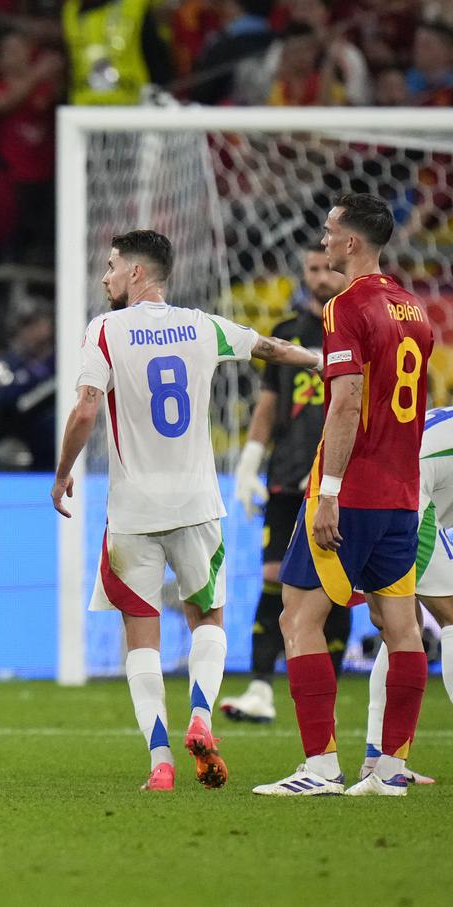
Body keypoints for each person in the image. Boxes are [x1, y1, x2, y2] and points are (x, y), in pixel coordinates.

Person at [51, 229, 323, 793]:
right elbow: (271, 349)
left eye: (111, 266)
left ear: (137, 274)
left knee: (140, 635)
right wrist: (320, 359)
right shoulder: (203, 325)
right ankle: (201, 715)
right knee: (209, 618)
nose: (104, 277)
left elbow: (83, 410)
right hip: (198, 503)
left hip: (132, 511)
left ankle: (161, 763)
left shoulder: (104, 330)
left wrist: (62, 475)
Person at [253, 193, 433, 798]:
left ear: (351, 242)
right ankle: (388, 772)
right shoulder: (414, 308)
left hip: (350, 491)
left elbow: (351, 402)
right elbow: (398, 391)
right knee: (399, 626)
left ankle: (320, 768)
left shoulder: (344, 307)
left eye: (330, 230)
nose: (325, 239)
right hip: (402, 493)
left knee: (298, 618)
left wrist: (328, 490)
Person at [221, 244, 351, 723]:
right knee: (274, 576)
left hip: (339, 480)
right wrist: (250, 462)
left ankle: (327, 692)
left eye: (326, 268)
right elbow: (269, 404)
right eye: (312, 269)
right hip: (288, 476)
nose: (319, 277)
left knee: (337, 584)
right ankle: (260, 686)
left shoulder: (357, 327)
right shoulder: (286, 334)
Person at [360, 404, 453, 785]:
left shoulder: (442, 420)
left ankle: (379, 760)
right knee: (449, 614)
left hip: (365, 493)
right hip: (405, 496)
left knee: (400, 628)